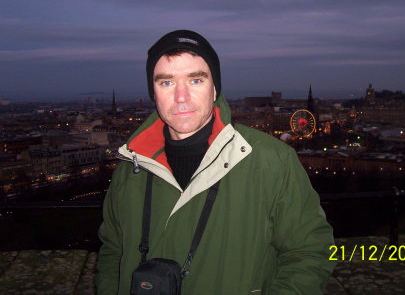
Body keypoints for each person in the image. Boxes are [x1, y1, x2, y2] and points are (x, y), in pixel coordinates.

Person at [96, 30, 335, 294]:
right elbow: (113, 251)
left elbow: (310, 252)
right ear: (153, 92)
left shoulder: (273, 160)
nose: (181, 97)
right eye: (166, 83)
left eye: (196, 80)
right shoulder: (130, 167)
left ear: (214, 89)